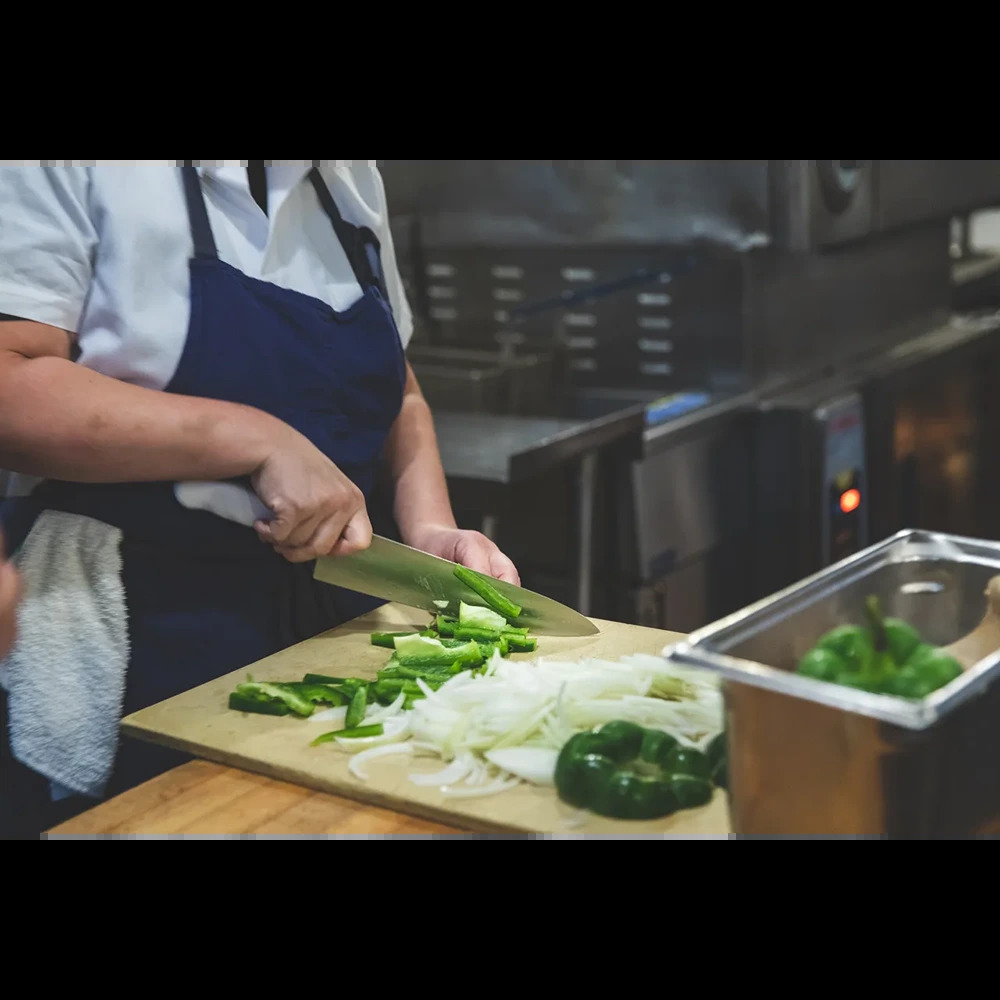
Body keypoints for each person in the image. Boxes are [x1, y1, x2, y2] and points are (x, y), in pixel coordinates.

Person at [0, 161, 518, 836]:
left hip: (335, 623)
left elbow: (403, 392)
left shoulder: (348, 176)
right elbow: (10, 384)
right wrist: (255, 440)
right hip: (144, 633)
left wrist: (429, 529)